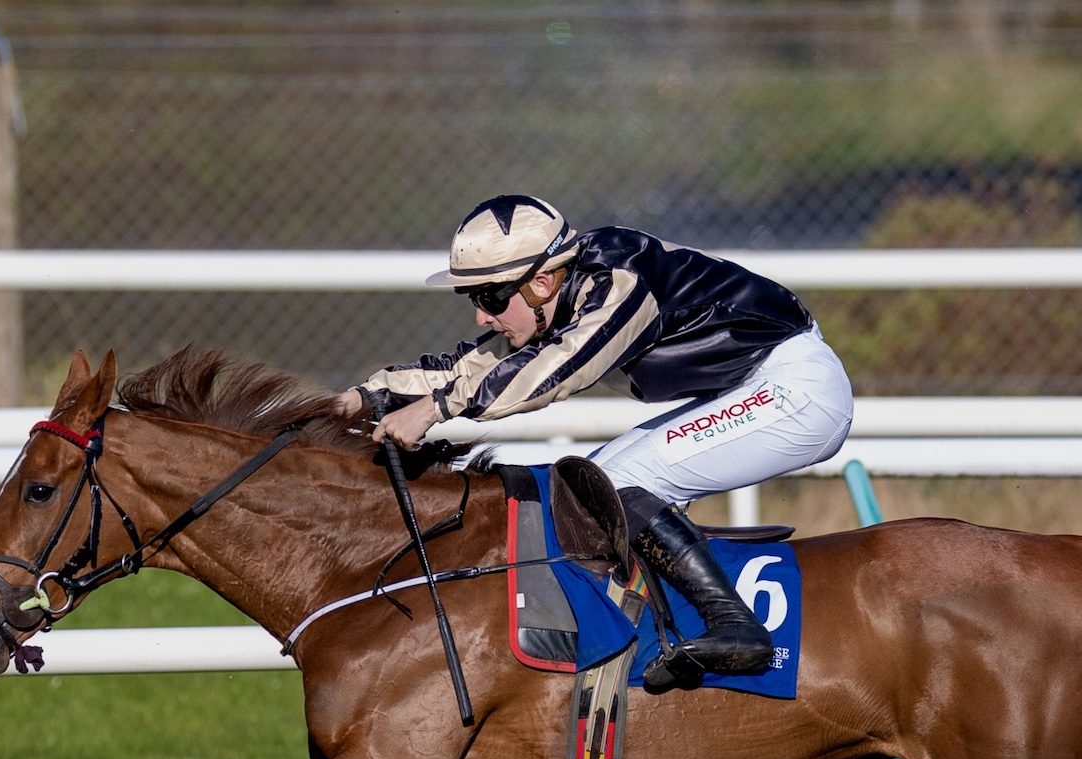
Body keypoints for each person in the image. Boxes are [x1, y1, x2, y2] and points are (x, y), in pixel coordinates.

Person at [338, 194, 854, 694]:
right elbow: (467, 367)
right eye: (473, 299)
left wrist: (435, 410)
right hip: (754, 386)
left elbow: (554, 370)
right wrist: (359, 398)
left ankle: (737, 630)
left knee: (614, 484)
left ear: (541, 282)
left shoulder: (619, 285)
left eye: (491, 298)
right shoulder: (563, 293)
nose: (480, 316)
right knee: (588, 485)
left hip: (797, 391)